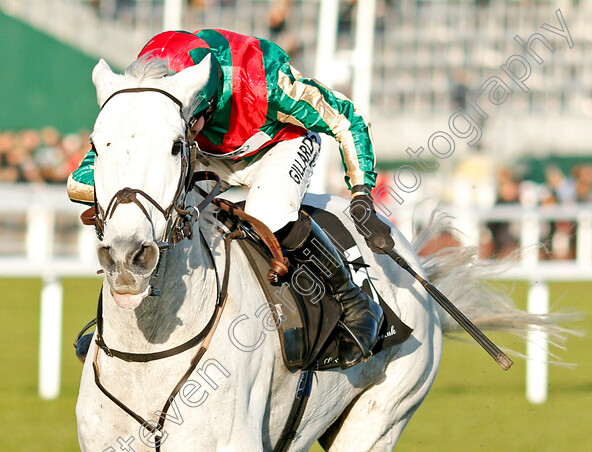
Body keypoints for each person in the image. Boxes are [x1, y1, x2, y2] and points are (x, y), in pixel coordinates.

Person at [67, 29, 395, 369]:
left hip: (277, 144)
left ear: (205, 105)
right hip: (203, 152)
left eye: (193, 122)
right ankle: (118, 322)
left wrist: (361, 194)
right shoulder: (148, 85)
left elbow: (348, 119)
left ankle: (354, 301)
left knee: (270, 212)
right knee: (152, 210)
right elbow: (84, 180)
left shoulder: (265, 80)